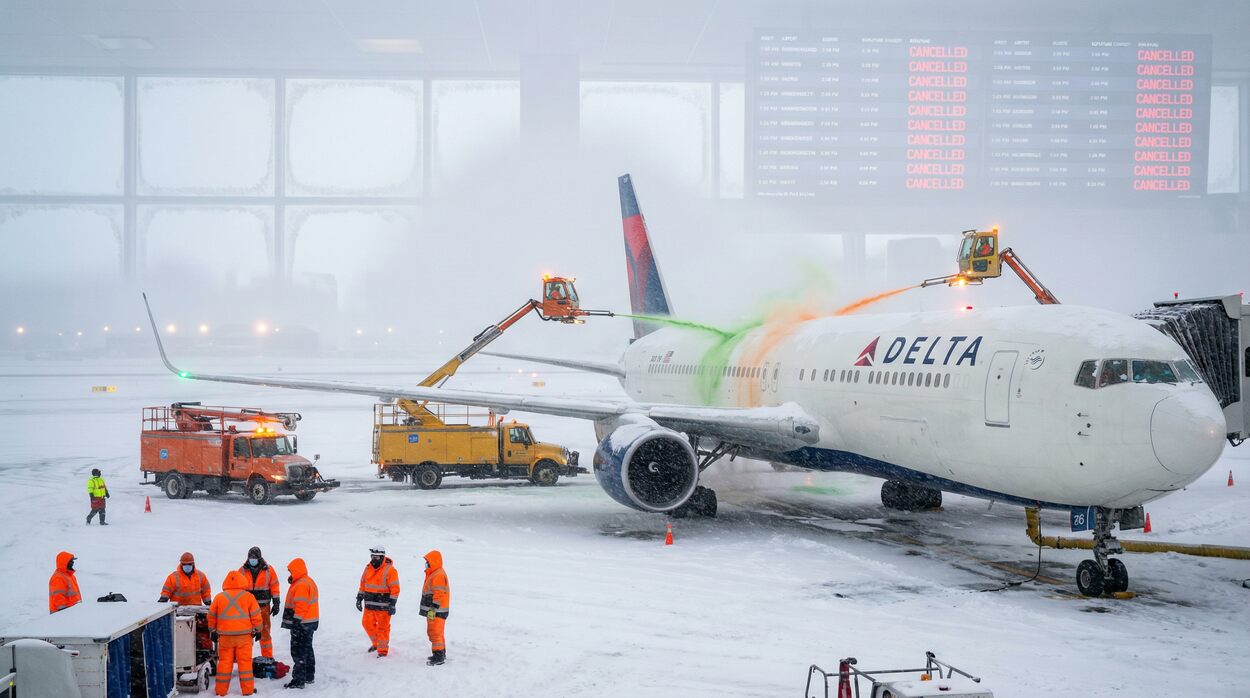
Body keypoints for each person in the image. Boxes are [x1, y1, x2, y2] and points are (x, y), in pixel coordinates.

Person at [207, 570, 263, 697]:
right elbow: (256, 616)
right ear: (242, 581)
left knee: (225, 663)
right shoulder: (248, 597)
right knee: (245, 664)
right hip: (244, 638)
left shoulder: (219, 597)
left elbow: (211, 615)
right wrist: (258, 630)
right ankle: (248, 691)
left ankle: (221, 691)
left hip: (225, 637)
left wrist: (212, 630)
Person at [281, 558, 319, 689]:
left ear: (296, 570)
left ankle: (299, 680)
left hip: (302, 623)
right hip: (309, 622)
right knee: (307, 649)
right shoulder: (307, 581)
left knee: (298, 651)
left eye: (291, 571)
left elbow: (301, 605)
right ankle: (309, 675)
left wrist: (296, 621)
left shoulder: (301, 584)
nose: (290, 573)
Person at [356, 545, 400, 657]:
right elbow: (363, 584)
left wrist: (392, 604)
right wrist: (359, 598)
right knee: (366, 624)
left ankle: (382, 652)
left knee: (383, 629)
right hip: (369, 605)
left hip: (384, 607)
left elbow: (395, 589)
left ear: (381, 557)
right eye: (372, 556)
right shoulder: (367, 568)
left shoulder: (390, 570)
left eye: (376, 557)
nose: (373, 559)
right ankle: (376, 644)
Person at [239, 546, 281, 659]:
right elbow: (236, 588)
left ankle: (267, 658)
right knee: (245, 634)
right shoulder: (242, 570)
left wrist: (276, 601)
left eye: (254, 557)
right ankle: (245, 660)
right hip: (246, 609)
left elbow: (275, 585)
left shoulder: (269, 570)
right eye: (250, 557)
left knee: (265, 633)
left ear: (259, 557)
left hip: (263, 608)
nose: (252, 559)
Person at [420, 550, 450, 666]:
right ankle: (441, 653)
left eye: (427, 561)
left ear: (433, 561)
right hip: (437, 609)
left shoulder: (438, 575)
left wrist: (433, 608)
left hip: (436, 610)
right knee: (438, 633)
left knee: (434, 633)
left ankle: (438, 657)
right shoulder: (435, 573)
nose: (426, 563)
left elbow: (438, 593)